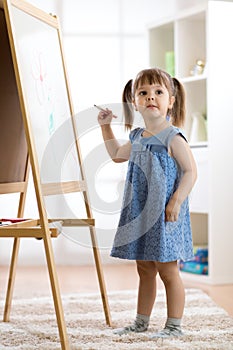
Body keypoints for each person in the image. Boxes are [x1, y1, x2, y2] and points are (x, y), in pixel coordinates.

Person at [97, 68, 197, 338]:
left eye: (158, 92)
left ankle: (174, 325)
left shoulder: (173, 137)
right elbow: (117, 154)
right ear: (135, 102)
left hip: (165, 213)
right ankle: (141, 321)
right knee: (144, 268)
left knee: (167, 270)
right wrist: (105, 126)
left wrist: (176, 201)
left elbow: (190, 172)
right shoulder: (137, 137)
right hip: (140, 213)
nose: (150, 97)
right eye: (143, 93)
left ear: (171, 101)